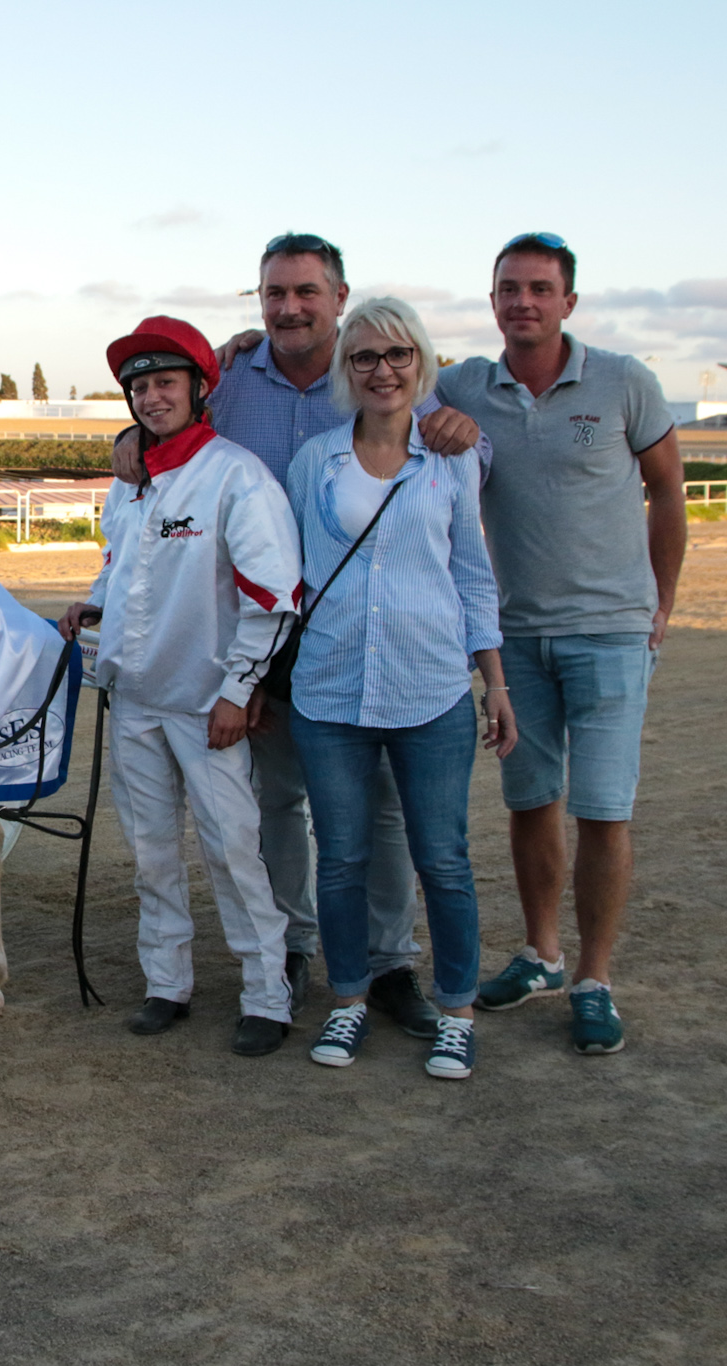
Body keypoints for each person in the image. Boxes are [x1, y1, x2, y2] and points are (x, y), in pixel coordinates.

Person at [204, 233, 489, 1037]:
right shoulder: (228, 381)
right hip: (267, 641)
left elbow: (458, 482)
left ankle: (390, 960)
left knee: (390, 815)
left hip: (376, 647)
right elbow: (168, 439)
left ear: (337, 297)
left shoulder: (381, 371)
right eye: (274, 293)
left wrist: (463, 431)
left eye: (305, 292)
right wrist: (127, 445)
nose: (288, 307)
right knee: (281, 803)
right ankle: (295, 947)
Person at [435, 233, 686, 1055]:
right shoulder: (468, 383)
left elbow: (667, 491)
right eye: (509, 288)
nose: (524, 303)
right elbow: (379, 377)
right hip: (515, 639)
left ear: (569, 301)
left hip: (612, 632)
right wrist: (246, 346)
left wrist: (662, 603)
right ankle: (542, 954)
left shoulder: (623, 382)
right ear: (494, 298)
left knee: (603, 809)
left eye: (541, 289)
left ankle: (594, 977)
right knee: (529, 801)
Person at [282, 299, 518, 1080]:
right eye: (364, 358)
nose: (382, 371)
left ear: (421, 362)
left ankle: (456, 1011)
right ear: (346, 371)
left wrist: (496, 683)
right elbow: (293, 579)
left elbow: (473, 577)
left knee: (442, 859)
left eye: (397, 355)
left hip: (432, 690)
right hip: (330, 690)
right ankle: (347, 1000)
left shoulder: (452, 458)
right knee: (342, 857)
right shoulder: (316, 462)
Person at [57, 317, 301, 1056]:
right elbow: (122, 568)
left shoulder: (237, 477)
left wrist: (237, 690)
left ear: (199, 389)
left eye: (166, 383)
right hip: (133, 699)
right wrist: (93, 602)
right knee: (151, 853)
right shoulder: (129, 483)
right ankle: (167, 983)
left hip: (206, 707)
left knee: (233, 850)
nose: (152, 397)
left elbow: (275, 596)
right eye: (140, 386)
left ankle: (267, 995)